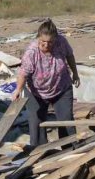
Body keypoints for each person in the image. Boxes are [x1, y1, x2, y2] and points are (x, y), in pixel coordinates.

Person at [12, 19, 81, 149]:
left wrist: (75, 73)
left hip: (61, 88)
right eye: (43, 42)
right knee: (36, 123)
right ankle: (39, 152)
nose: (46, 45)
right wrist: (18, 90)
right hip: (36, 92)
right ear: (38, 38)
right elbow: (23, 73)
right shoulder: (31, 53)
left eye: (50, 42)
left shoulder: (61, 42)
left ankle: (70, 149)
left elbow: (70, 56)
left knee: (66, 121)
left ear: (55, 39)